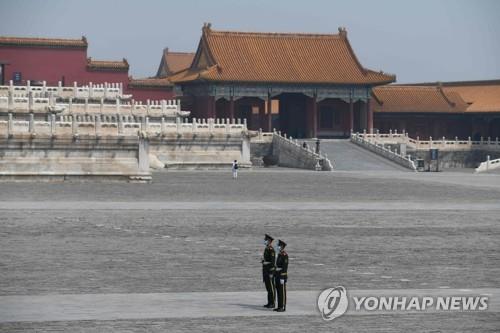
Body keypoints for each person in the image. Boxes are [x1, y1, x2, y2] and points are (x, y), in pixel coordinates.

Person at [261, 234, 276, 308]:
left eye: (266, 240)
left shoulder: (271, 250)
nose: (264, 241)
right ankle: (269, 302)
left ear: (269, 241)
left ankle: (272, 303)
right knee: (268, 288)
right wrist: (264, 261)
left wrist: (271, 272)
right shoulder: (267, 248)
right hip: (265, 271)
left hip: (269, 271)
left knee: (271, 288)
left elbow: (272, 262)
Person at [274, 239, 288, 312]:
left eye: (278, 245)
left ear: (282, 246)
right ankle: (279, 306)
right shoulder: (279, 254)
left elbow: (284, 267)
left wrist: (282, 277)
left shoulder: (284, 255)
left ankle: (282, 307)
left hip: (281, 276)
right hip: (277, 275)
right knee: (278, 291)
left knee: (282, 292)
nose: (277, 246)